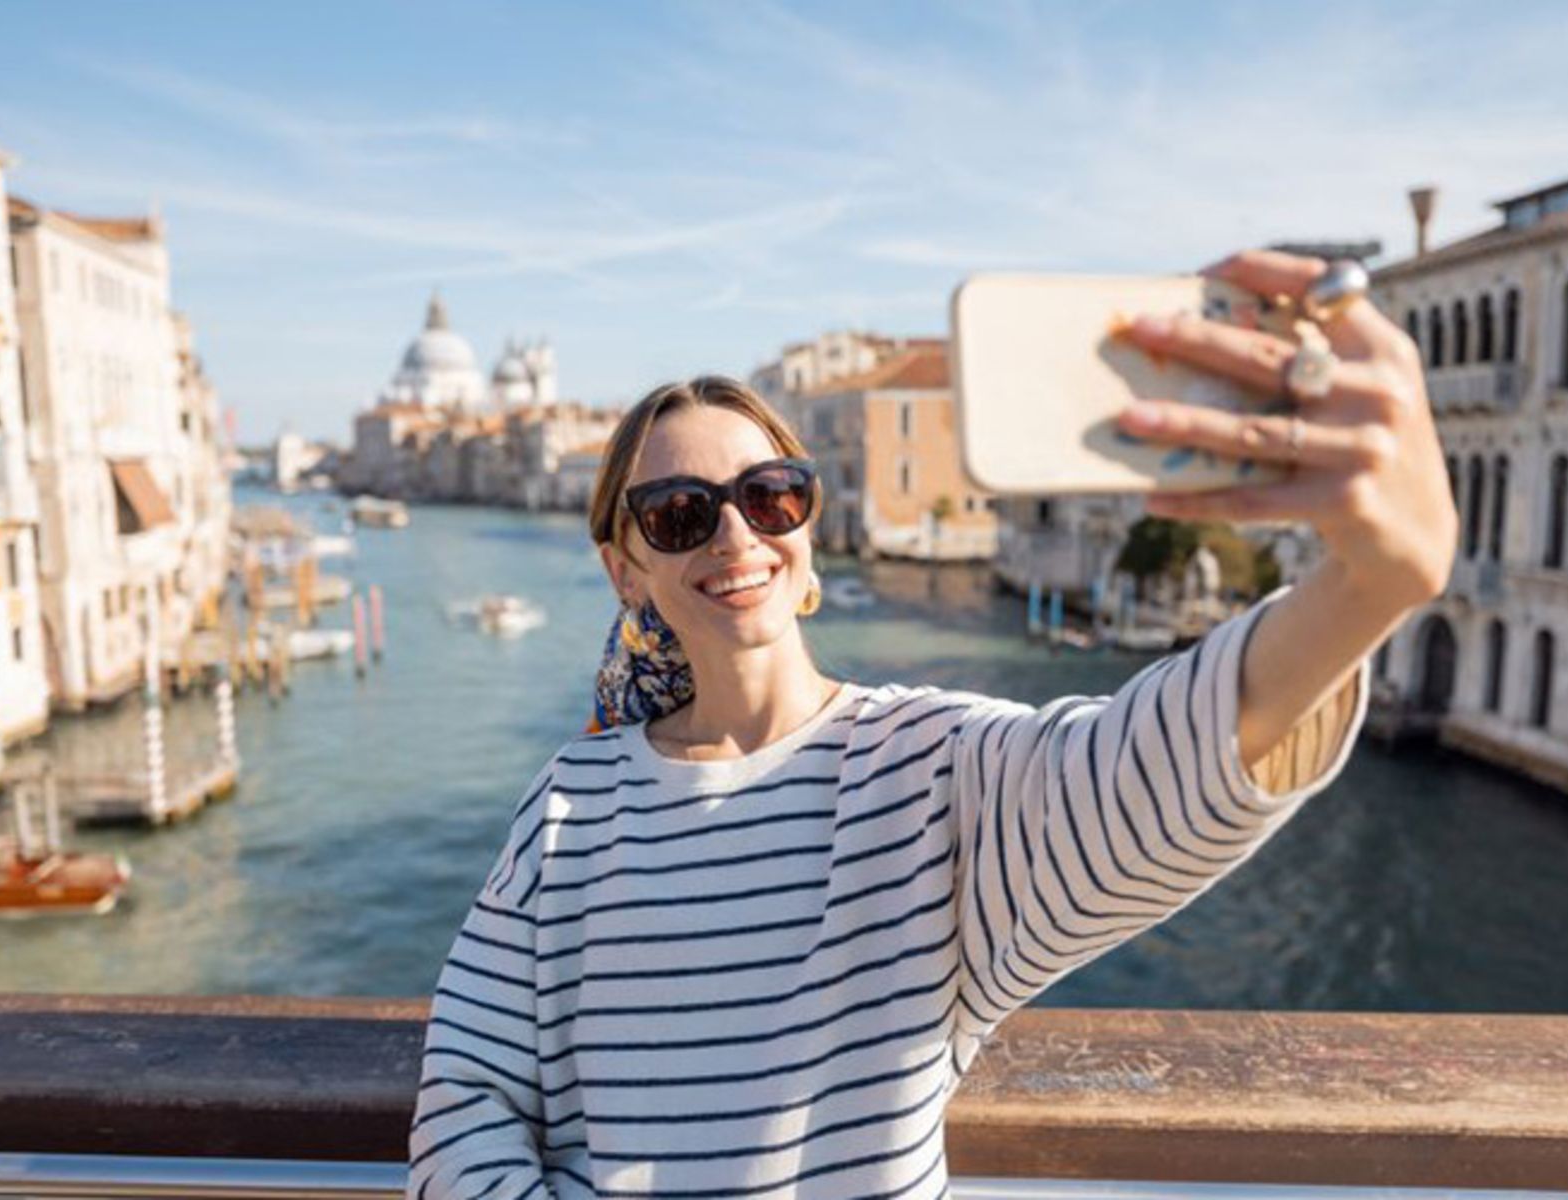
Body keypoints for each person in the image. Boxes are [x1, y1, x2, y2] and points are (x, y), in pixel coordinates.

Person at [407, 249, 1456, 1199]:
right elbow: (466, 1100)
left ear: (808, 530)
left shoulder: (927, 772)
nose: (734, 534)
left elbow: (1143, 779)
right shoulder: (571, 806)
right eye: (680, 513)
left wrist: (1367, 590)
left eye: (768, 496)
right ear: (626, 570)